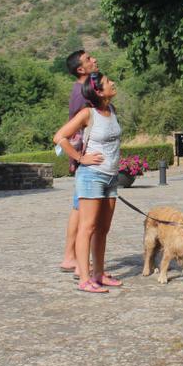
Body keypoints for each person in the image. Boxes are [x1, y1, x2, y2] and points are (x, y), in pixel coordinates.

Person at [54, 71, 123, 293]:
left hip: (111, 177)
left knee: (103, 229)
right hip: (92, 176)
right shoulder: (87, 113)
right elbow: (59, 137)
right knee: (88, 227)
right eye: (107, 82)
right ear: (98, 91)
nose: (112, 83)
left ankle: (99, 274)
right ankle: (85, 279)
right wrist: (81, 158)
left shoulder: (111, 110)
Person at [59, 49, 99, 273]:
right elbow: (71, 131)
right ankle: (77, 262)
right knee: (84, 210)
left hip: (86, 158)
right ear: (81, 69)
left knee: (78, 207)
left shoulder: (84, 90)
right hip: (87, 160)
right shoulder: (81, 94)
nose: (94, 60)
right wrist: (81, 158)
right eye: (88, 59)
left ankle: (71, 257)